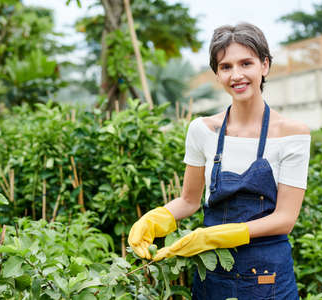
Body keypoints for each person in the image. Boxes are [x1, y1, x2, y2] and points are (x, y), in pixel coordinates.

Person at [128, 23, 311, 299]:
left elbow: (284, 219)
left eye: (246, 63)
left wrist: (212, 236)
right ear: (217, 74)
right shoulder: (202, 130)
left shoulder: (292, 134)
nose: (236, 75)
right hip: (212, 273)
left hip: (268, 277)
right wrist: (154, 219)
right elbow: (189, 200)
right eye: (226, 67)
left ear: (265, 65)